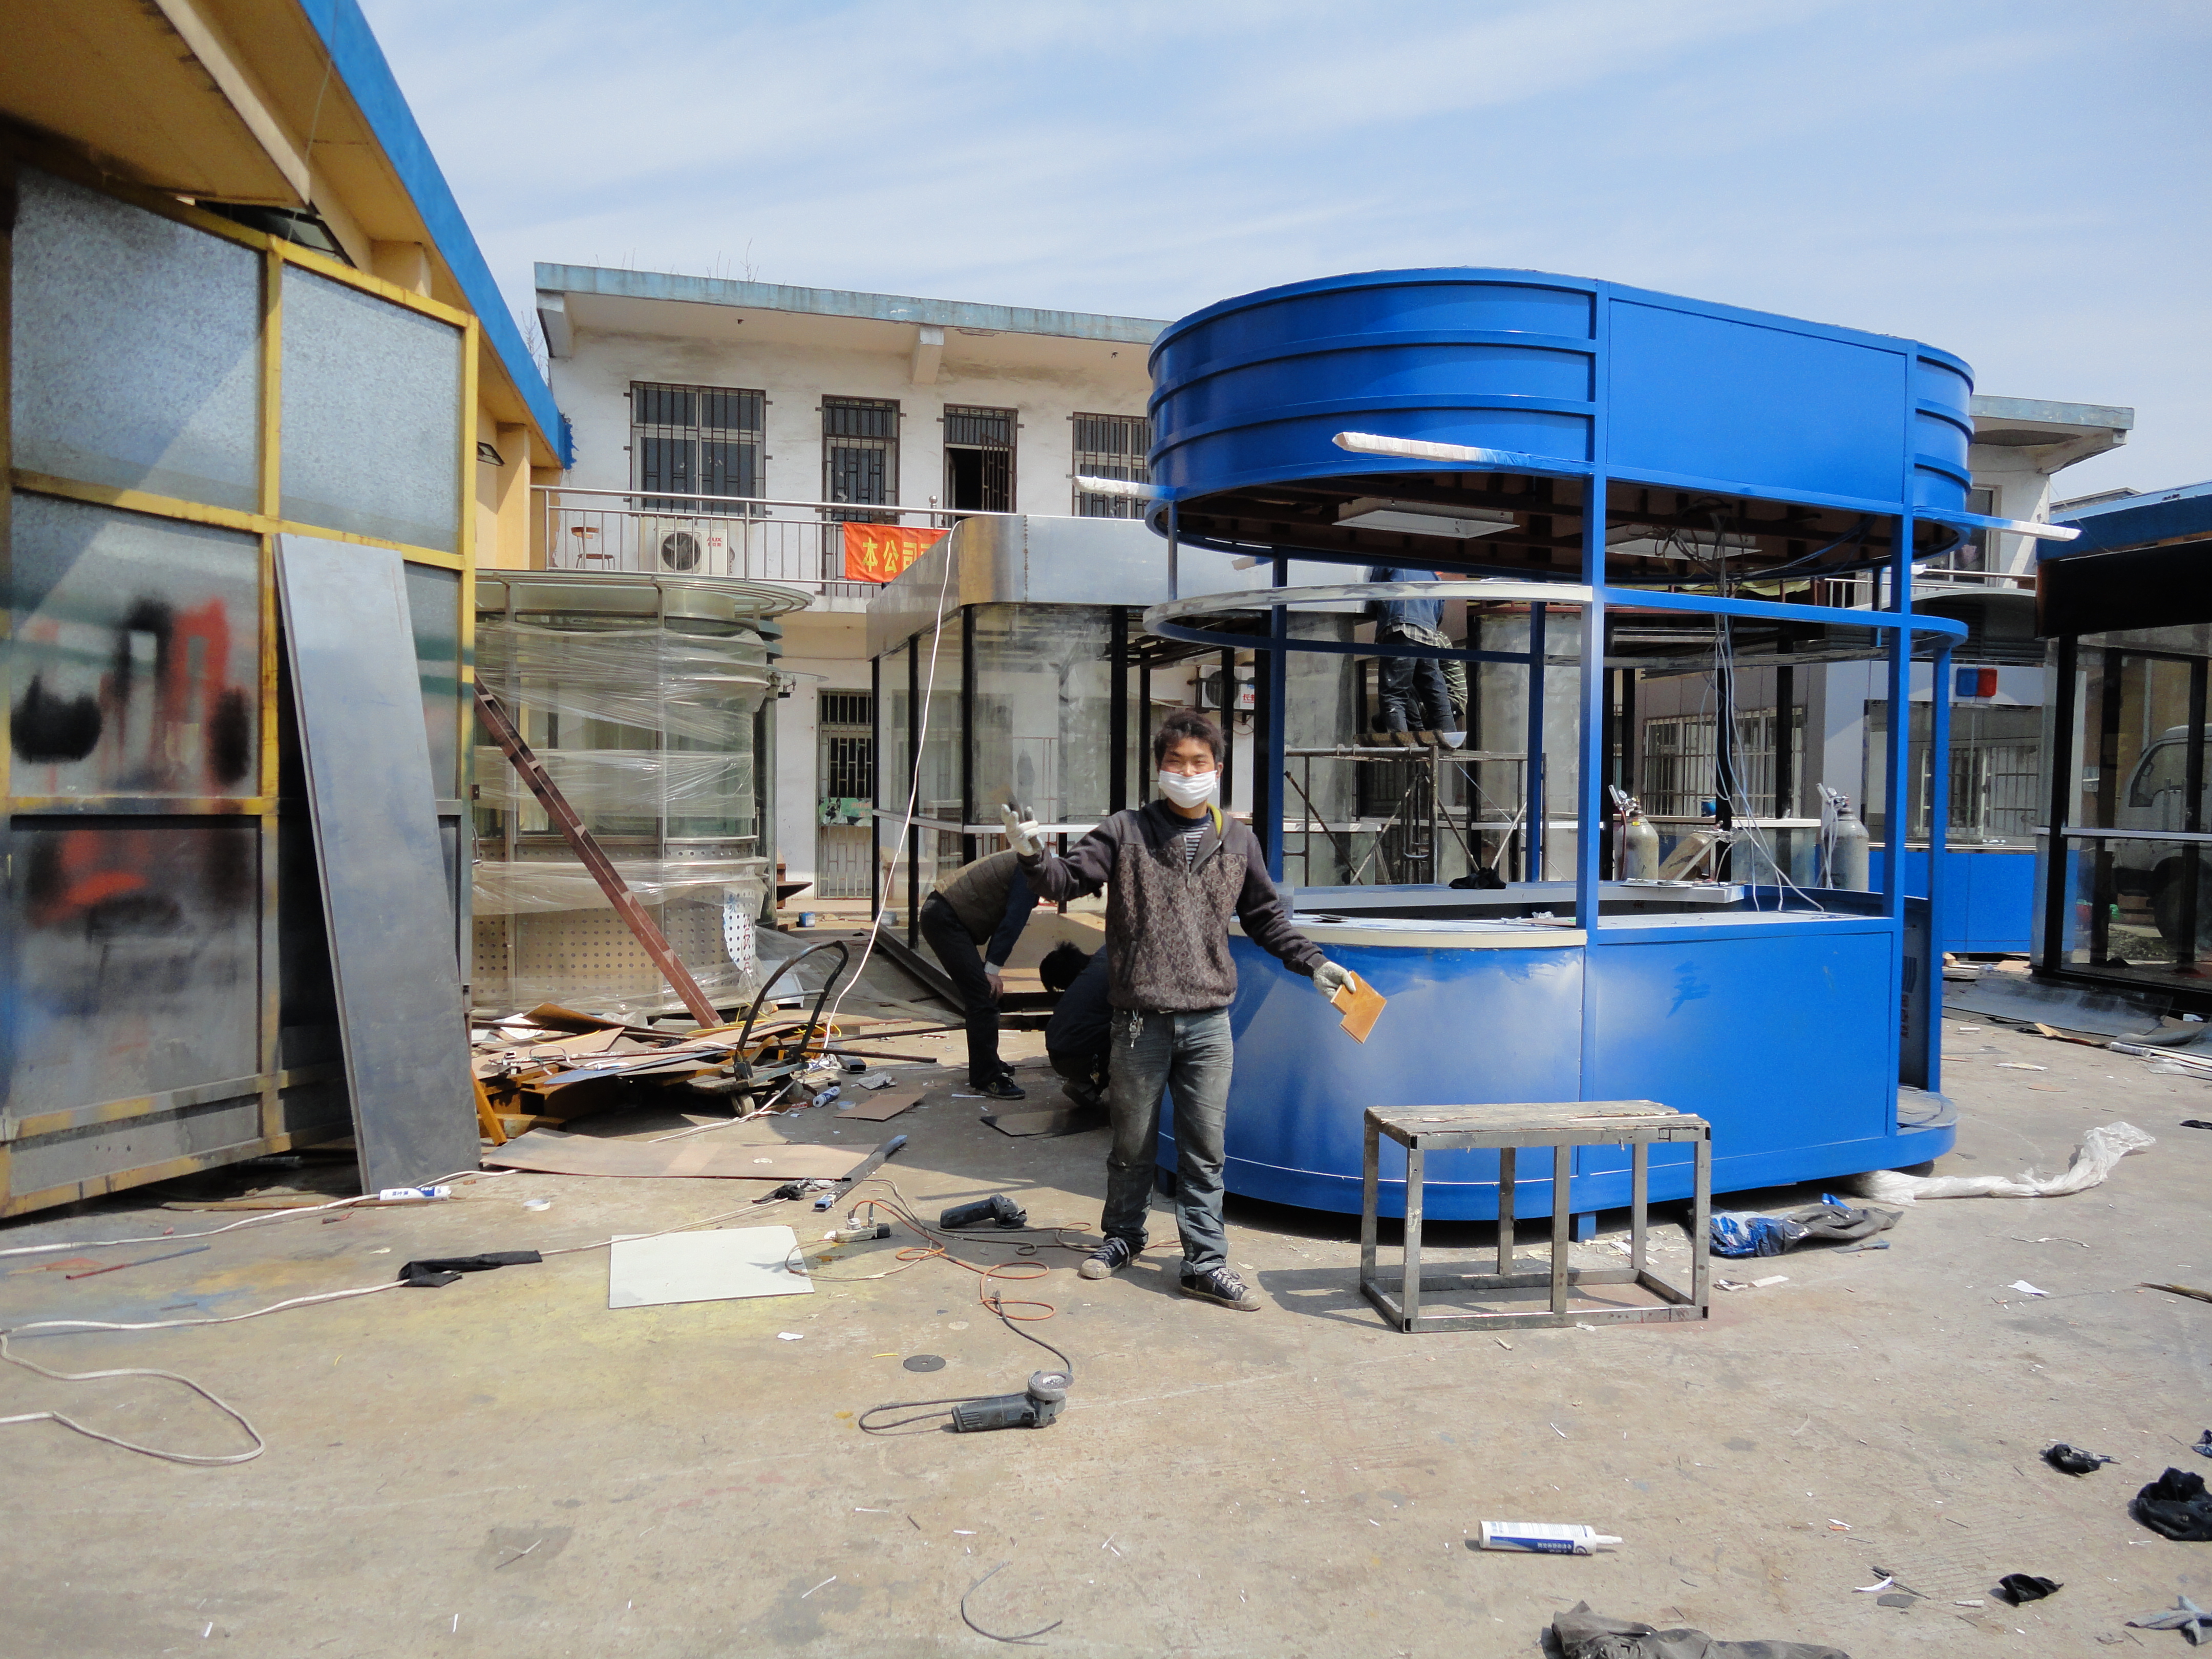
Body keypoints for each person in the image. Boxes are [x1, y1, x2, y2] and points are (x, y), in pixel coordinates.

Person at [1001, 708, 1351, 1312]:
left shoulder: (1238, 840)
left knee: (1204, 1150)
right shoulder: (1125, 831)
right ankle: (1122, 1236)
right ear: (1159, 768)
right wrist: (1032, 855)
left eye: (1198, 763)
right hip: (1140, 1022)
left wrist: (1315, 963)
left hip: (1210, 1024)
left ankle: (1204, 1263)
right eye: (1175, 762)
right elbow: (1066, 881)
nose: (1187, 773)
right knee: (1131, 1144)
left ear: (1218, 769)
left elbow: (1265, 918)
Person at [917, 848, 1039, 1101]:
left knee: (984, 994)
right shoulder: (1034, 872)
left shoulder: (1033, 861)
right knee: (983, 996)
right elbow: (1012, 923)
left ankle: (988, 1061)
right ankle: (987, 1078)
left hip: (945, 913)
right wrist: (992, 970)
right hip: (944, 919)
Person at [1366, 563, 1463, 745]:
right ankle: (1450, 741)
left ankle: (1402, 745)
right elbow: (1439, 613)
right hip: (1429, 635)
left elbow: (1373, 594)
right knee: (1435, 694)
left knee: (1394, 693)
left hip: (1401, 628)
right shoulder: (1433, 575)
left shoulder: (1388, 562)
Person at [1040, 941, 1110, 1110]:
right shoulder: (1106, 957)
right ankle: (1095, 1083)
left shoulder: (1106, 967)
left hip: (1056, 1055)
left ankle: (1087, 1084)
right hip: (1083, 1059)